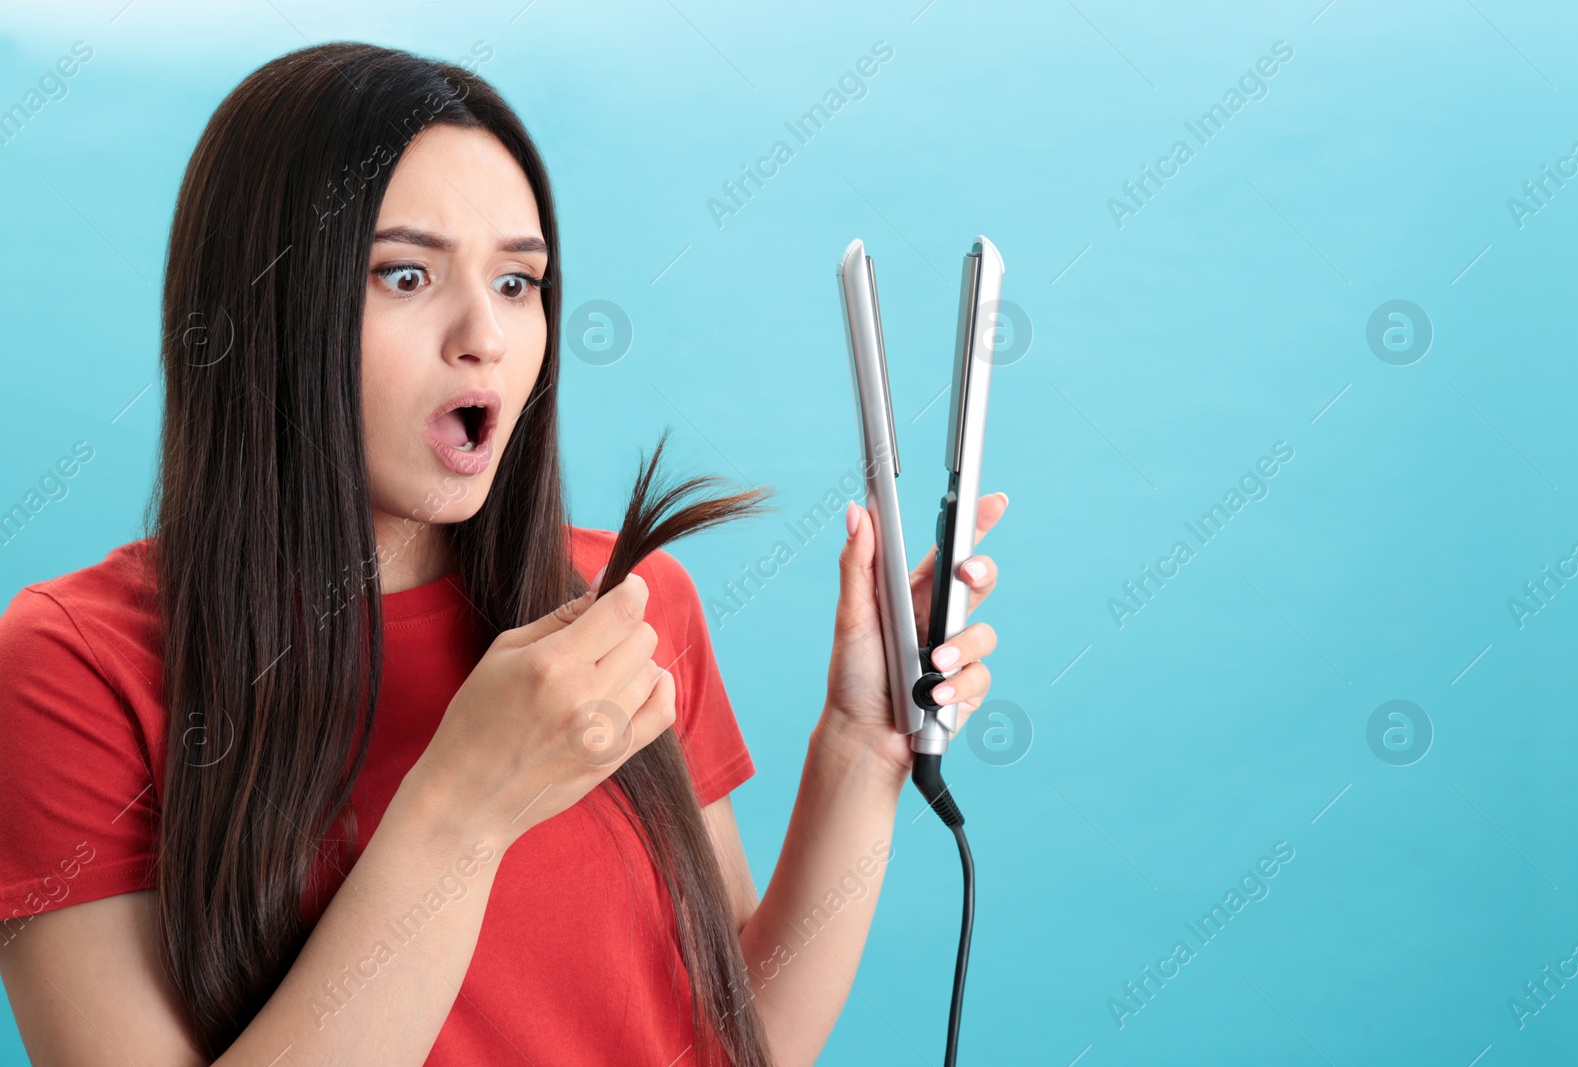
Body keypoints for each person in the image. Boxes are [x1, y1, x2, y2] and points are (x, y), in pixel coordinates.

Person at [0, 42, 1005, 1067]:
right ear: (265, 307)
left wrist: (861, 743)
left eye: (519, 280)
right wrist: (463, 804)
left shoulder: (630, 603)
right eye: (405, 273)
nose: (485, 335)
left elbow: (741, 1039)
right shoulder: (71, 668)